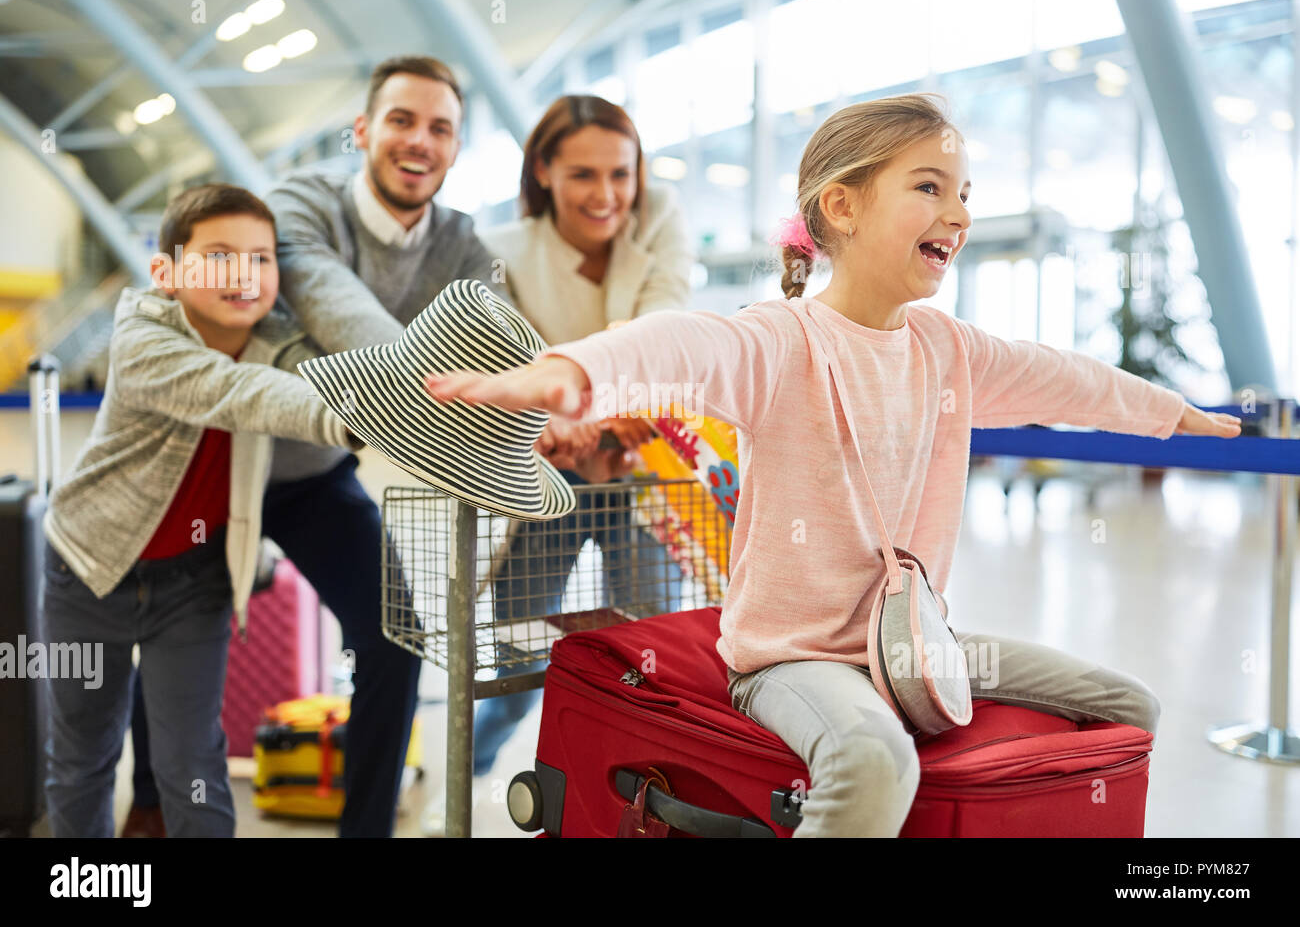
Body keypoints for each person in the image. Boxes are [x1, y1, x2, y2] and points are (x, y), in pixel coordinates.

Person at [424, 93, 1242, 837]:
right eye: (929, 187)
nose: (957, 214)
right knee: (873, 759)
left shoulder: (946, 349)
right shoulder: (782, 341)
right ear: (842, 207)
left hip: (913, 648)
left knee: (1128, 707)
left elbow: (1063, 377)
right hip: (792, 660)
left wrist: (1171, 413)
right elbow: (682, 346)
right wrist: (572, 373)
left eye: (964, 193)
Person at [41, 184, 361, 837]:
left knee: (193, 760)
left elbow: (336, 364)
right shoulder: (142, 338)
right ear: (166, 273)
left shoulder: (276, 337)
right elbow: (242, 394)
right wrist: (369, 417)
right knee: (83, 756)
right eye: (219, 256)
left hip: (193, 579)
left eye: (261, 258)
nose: (244, 274)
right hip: (87, 569)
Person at [468, 95, 694, 777]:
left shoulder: (661, 223)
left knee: (655, 654)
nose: (606, 195)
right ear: (542, 172)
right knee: (518, 657)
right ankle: (468, 766)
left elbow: (665, 328)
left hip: (643, 470)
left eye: (620, 175)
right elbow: (506, 372)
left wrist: (598, 406)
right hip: (544, 478)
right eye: (582, 175)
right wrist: (560, 422)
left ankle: (630, 796)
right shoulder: (497, 256)